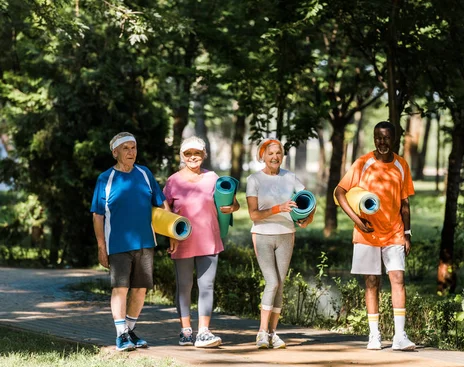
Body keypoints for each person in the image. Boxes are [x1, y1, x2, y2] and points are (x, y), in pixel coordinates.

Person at [334, 121, 416, 351]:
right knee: (372, 283)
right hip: (367, 233)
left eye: (386, 138)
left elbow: (405, 202)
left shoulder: (401, 165)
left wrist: (407, 234)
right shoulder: (363, 163)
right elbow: (340, 192)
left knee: (398, 280)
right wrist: (357, 220)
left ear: (394, 139)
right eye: (378, 137)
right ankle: (374, 336)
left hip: (394, 232)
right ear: (373, 138)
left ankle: (400, 337)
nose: (382, 142)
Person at [91, 132, 174, 352]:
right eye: (126, 148)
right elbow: (98, 215)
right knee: (121, 288)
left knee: (140, 289)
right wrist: (101, 246)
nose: (131, 152)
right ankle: (121, 335)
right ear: (115, 152)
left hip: (146, 242)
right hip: (117, 244)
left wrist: (173, 232)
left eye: (134, 147)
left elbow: (162, 204)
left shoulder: (144, 174)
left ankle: (129, 330)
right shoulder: (105, 179)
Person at [163, 136, 240, 348]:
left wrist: (232, 206)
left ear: (204, 155)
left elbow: (233, 203)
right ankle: (186, 331)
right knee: (184, 286)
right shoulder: (173, 181)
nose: (192, 157)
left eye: (197, 153)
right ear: (182, 156)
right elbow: (163, 210)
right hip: (182, 240)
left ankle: (204, 332)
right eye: (188, 154)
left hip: (209, 239)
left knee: (207, 285)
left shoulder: (213, 177)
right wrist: (170, 236)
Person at [246, 138, 315, 349]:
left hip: (286, 234)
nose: (275, 157)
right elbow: (253, 214)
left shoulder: (290, 177)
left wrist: (306, 219)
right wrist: (278, 208)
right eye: (270, 153)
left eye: (278, 153)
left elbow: (308, 204)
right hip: (263, 235)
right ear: (262, 156)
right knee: (272, 282)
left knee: (280, 285)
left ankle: (273, 333)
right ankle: (261, 333)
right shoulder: (254, 179)